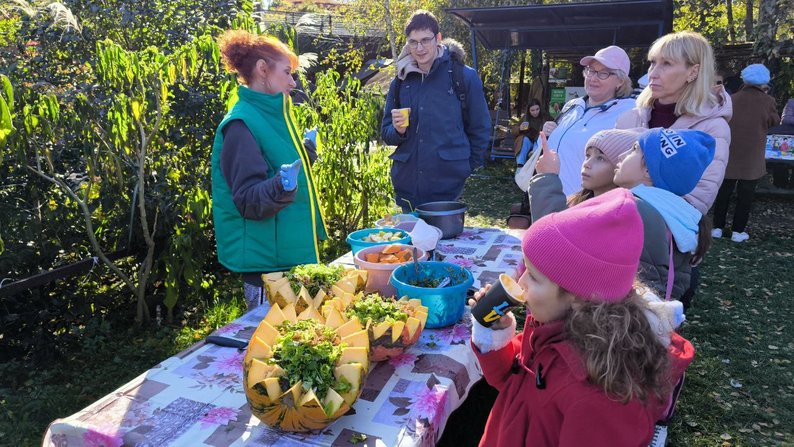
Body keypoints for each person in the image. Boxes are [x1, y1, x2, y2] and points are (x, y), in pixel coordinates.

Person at [469, 188, 694, 446]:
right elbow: (513, 384)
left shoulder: (602, 396)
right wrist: (495, 335)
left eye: (533, 275)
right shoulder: (553, 326)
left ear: (578, 296)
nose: (521, 282)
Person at [211, 30, 327, 309]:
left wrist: (304, 155)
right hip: (269, 272)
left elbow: (275, 166)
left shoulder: (272, 115)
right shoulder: (241, 124)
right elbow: (249, 201)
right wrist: (281, 185)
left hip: (286, 260)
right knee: (275, 347)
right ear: (263, 70)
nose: (292, 81)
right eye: (287, 72)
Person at [380, 10, 490, 212]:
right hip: (408, 185)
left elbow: (480, 128)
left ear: (438, 38)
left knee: (444, 241)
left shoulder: (463, 76)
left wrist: (466, 167)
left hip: (447, 185)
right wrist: (398, 131)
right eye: (413, 42)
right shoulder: (401, 80)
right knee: (411, 244)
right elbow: (386, 132)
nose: (419, 48)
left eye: (425, 40)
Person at [616, 31, 731, 218]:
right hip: (611, 225)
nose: (652, 73)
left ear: (693, 72)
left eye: (666, 64)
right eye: (653, 62)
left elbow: (697, 200)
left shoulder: (711, 128)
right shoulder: (629, 118)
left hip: (661, 236)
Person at [542, 45, 636, 195]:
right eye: (591, 71)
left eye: (603, 73)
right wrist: (553, 131)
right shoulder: (573, 105)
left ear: (620, 81)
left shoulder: (629, 113)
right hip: (548, 196)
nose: (593, 78)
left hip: (582, 207)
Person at [712, 64, 780, 243]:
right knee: (745, 195)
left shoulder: (732, 98)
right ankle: (738, 231)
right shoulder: (768, 101)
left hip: (730, 152)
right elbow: (774, 121)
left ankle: (717, 227)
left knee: (724, 191)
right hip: (752, 156)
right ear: (765, 81)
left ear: (744, 79)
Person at [511, 99, 548, 166]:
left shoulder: (545, 117)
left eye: (537, 109)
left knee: (540, 139)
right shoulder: (525, 118)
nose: (535, 112)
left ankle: (533, 155)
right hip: (529, 140)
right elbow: (513, 130)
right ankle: (520, 164)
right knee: (524, 140)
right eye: (532, 110)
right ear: (529, 111)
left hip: (539, 141)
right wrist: (520, 129)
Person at [769, 99, 794, 188]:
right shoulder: (792, 102)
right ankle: (780, 186)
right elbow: (786, 119)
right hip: (788, 137)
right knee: (781, 162)